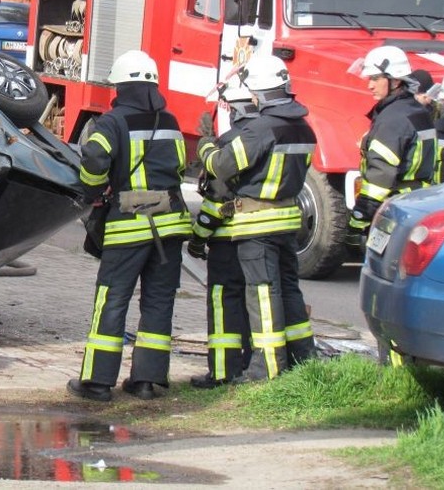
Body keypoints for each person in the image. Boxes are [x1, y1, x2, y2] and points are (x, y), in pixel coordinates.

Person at [68, 50, 192, 402]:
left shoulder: (112, 121)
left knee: (112, 300)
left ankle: (97, 383)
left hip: (130, 224)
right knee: (158, 301)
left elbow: (93, 158)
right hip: (170, 223)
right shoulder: (169, 121)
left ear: (120, 86)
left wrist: (91, 189)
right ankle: (146, 383)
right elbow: (180, 167)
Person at [196, 55, 317, 381]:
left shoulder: (261, 129)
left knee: (262, 294)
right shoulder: (303, 127)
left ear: (260, 93)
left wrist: (205, 147)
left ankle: (266, 370)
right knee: (289, 292)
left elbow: (223, 166)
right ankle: (304, 361)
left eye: (251, 93)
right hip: (288, 223)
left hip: (256, 226)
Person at [187, 76, 258, 388]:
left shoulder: (229, 145)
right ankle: (246, 364)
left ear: (232, 107)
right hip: (255, 240)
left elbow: (216, 203)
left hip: (227, 241)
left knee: (223, 303)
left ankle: (221, 372)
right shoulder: (262, 138)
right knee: (248, 304)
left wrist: (198, 239)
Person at [346, 45, 436, 249]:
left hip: (393, 212)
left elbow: (380, 177)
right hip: (418, 206)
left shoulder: (392, 118)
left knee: (383, 274)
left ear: (395, 80)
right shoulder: (417, 111)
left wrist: (358, 219)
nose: (370, 85)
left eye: (376, 78)